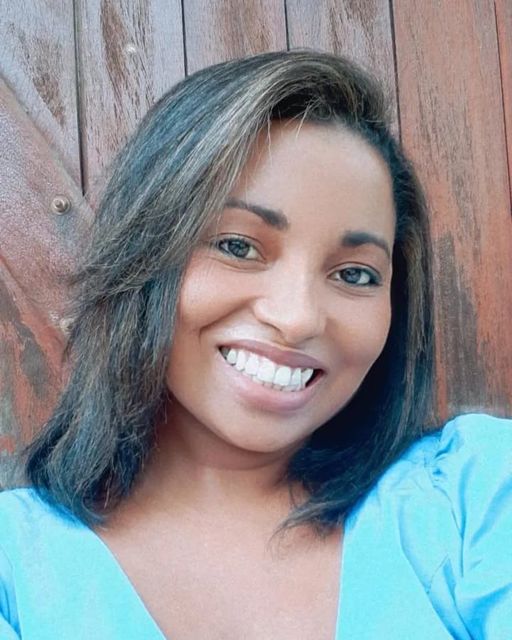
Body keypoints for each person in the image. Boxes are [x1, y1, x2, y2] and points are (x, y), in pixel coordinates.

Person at [0, 49, 510, 639]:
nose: (296, 319)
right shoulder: (15, 568)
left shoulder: (477, 497)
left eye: (355, 274)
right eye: (238, 246)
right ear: (144, 251)